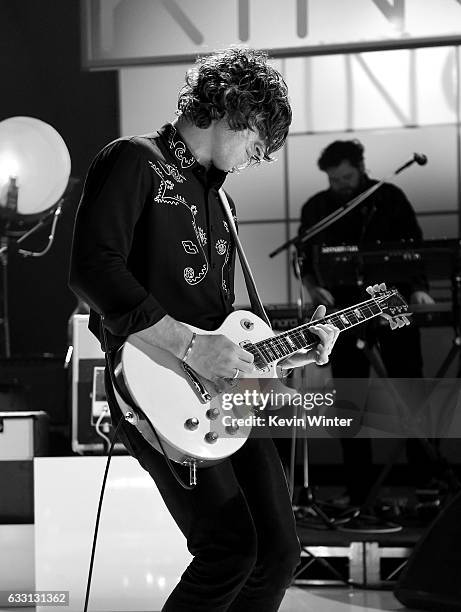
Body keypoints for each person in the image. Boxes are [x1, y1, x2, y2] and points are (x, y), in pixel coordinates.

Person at [69, 47, 340, 612]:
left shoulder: (221, 199)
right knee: (230, 547)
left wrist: (287, 353)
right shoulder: (134, 160)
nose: (256, 157)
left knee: (279, 552)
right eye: (257, 143)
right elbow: (94, 270)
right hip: (151, 384)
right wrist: (191, 346)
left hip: (218, 391)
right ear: (234, 110)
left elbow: (226, 335)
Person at [297, 139, 434, 507]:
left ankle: (427, 484)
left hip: (393, 303)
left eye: (346, 176)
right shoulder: (316, 208)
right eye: (334, 178)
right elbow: (304, 258)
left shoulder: (389, 197)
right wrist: (313, 288)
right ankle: (360, 490)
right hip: (345, 312)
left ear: (361, 166)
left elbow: (413, 248)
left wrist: (419, 288)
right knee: (350, 397)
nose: (341, 184)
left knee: (411, 387)